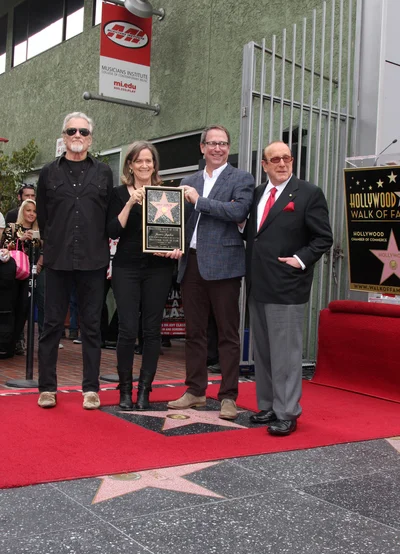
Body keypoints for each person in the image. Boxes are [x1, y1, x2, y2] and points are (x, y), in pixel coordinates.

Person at [245, 141, 333, 436]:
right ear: (264, 165)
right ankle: (269, 404)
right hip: (259, 284)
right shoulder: (258, 193)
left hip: (287, 286)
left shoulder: (309, 193)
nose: (282, 164)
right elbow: (255, 235)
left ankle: (287, 413)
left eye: (287, 158)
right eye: (275, 159)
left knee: (286, 354)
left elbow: (323, 238)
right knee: (265, 352)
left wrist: (299, 260)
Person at [167, 125, 254, 420]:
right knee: (194, 334)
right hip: (191, 264)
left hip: (225, 266)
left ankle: (228, 396)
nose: (218, 148)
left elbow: (238, 212)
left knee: (228, 335)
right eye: (213, 143)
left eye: (224, 143)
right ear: (202, 147)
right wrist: (174, 243)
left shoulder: (241, 178)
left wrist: (199, 201)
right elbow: (181, 222)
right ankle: (195, 391)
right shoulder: (188, 180)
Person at [36, 111, 113, 409]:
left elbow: (107, 217)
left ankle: (90, 389)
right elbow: (43, 216)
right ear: (63, 136)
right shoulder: (48, 173)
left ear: (90, 137)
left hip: (93, 261)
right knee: (52, 325)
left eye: (83, 132)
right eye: (72, 131)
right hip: (57, 260)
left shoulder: (103, 172)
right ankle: (47, 389)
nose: (77, 136)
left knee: (92, 326)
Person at [107, 141, 179, 411]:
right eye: (139, 161)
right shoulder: (117, 194)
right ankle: (125, 390)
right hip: (126, 267)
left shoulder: (166, 194)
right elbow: (113, 231)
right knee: (126, 330)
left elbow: (174, 234)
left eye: (149, 161)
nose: (145, 165)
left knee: (152, 331)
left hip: (159, 269)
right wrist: (129, 202)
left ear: (155, 165)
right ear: (130, 165)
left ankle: (145, 390)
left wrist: (176, 249)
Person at [2, 199, 42, 355]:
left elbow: (45, 251)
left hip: (31, 274)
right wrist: (21, 239)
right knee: (10, 307)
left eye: (34, 211)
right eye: (28, 210)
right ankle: (7, 343)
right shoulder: (12, 228)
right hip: (12, 273)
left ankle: (14, 343)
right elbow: (5, 247)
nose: (31, 214)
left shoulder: (39, 231)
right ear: (22, 211)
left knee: (24, 308)